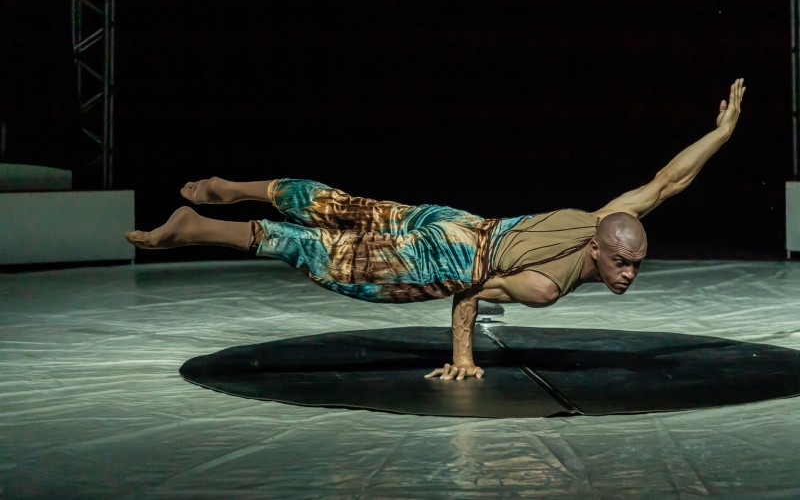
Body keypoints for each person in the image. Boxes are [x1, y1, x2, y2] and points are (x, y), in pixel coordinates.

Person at [126, 78, 746, 381]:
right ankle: (198, 227)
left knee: (344, 206)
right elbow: (471, 294)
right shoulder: (546, 288)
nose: (628, 275)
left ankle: (232, 188)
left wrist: (720, 134)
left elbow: (666, 181)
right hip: (445, 258)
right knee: (327, 254)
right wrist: (463, 359)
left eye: (634, 265)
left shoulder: (608, 218)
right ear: (597, 249)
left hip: (457, 220)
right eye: (623, 265)